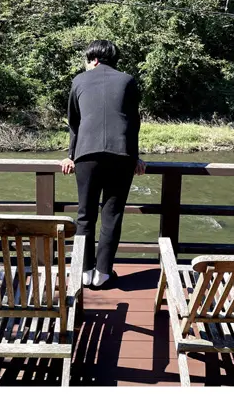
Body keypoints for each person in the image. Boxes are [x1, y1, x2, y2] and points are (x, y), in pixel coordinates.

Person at [58, 40, 144, 289]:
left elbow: (75, 123)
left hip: (87, 155)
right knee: (112, 214)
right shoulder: (128, 80)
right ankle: (103, 273)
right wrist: (135, 155)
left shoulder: (79, 81)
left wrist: (71, 155)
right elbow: (133, 122)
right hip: (122, 154)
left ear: (93, 59)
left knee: (85, 215)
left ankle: (84, 272)